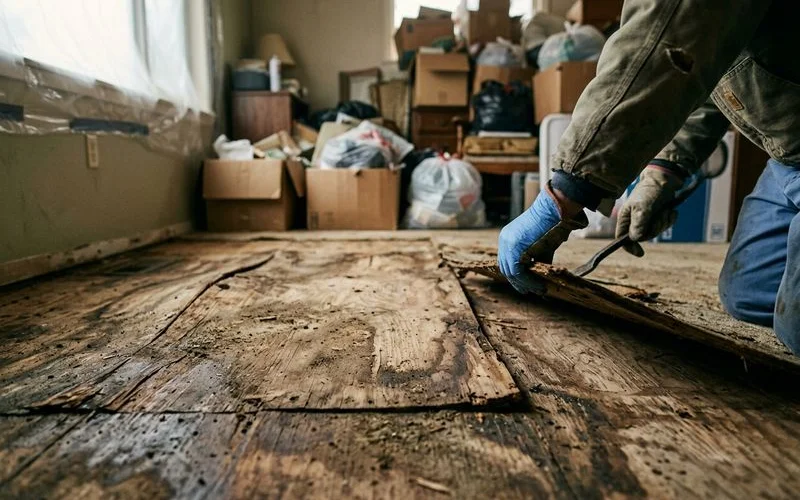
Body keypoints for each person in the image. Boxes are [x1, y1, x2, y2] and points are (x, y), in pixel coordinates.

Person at [497, 0, 800, 352]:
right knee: (746, 294)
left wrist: (565, 192)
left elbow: (659, 42)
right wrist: (664, 171)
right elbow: (708, 64)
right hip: (790, 153)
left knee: (794, 330)